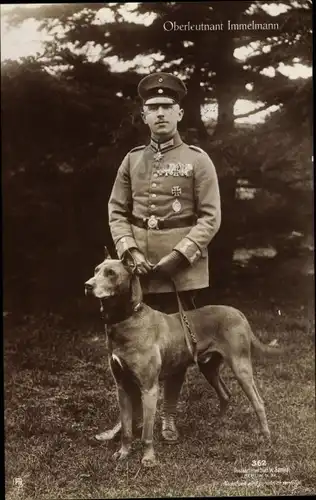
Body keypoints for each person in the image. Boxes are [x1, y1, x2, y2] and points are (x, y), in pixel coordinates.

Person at [103, 71, 221, 443]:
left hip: (179, 271)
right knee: (131, 344)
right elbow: (117, 211)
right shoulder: (132, 160)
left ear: (180, 113)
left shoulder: (198, 160)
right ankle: (131, 421)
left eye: (167, 107)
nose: (160, 114)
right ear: (143, 114)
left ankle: (167, 416)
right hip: (136, 271)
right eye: (152, 108)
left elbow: (211, 216)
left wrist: (180, 255)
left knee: (176, 348)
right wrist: (129, 249)